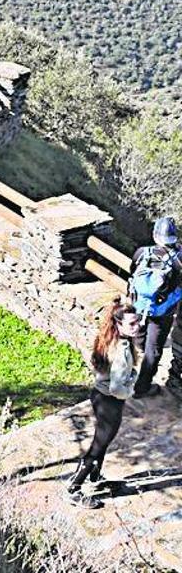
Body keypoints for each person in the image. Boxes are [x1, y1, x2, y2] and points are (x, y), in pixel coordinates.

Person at [66, 298, 141, 508]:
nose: (138, 326)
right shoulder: (122, 350)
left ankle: (95, 478)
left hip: (98, 395)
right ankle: (73, 488)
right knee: (98, 446)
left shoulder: (108, 338)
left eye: (138, 321)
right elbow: (118, 388)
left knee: (103, 441)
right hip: (110, 402)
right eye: (132, 324)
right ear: (119, 324)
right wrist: (131, 387)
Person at [128, 216, 182, 398]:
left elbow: (131, 270)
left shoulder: (142, 252)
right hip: (163, 310)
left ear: (155, 235)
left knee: (141, 332)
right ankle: (142, 388)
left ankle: (139, 347)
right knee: (155, 348)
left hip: (139, 303)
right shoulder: (179, 259)